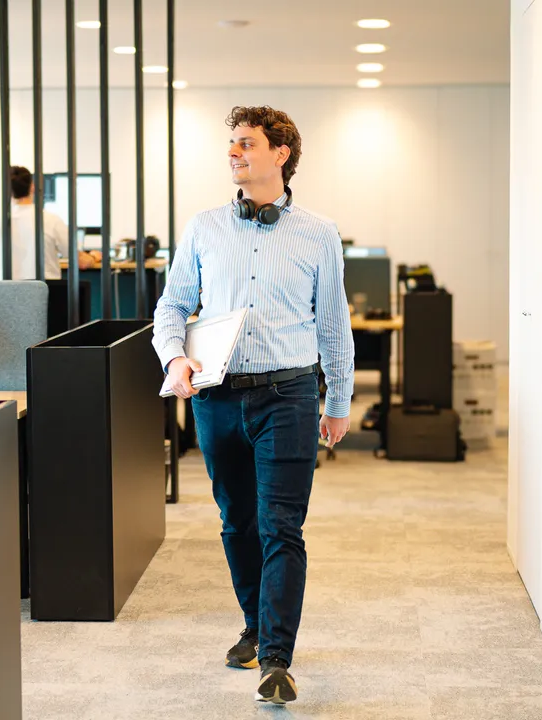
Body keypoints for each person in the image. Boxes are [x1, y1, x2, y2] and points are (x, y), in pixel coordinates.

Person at [153, 106, 355, 705]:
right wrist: (174, 359)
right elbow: (170, 307)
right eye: (232, 145)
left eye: (246, 144)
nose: (234, 153)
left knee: (281, 526)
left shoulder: (318, 233)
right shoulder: (205, 228)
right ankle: (255, 625)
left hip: (288, 396)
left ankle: (276, 658)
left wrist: (337, 399)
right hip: (216, 398)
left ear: (281, 153)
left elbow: (333, 325)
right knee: (236, 521)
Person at [0, 166, 95, 280]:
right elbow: (82, 262)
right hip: (47, 295)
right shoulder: (51, 220)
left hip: (9, 296)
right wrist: (94, 256)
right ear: (32, 187)